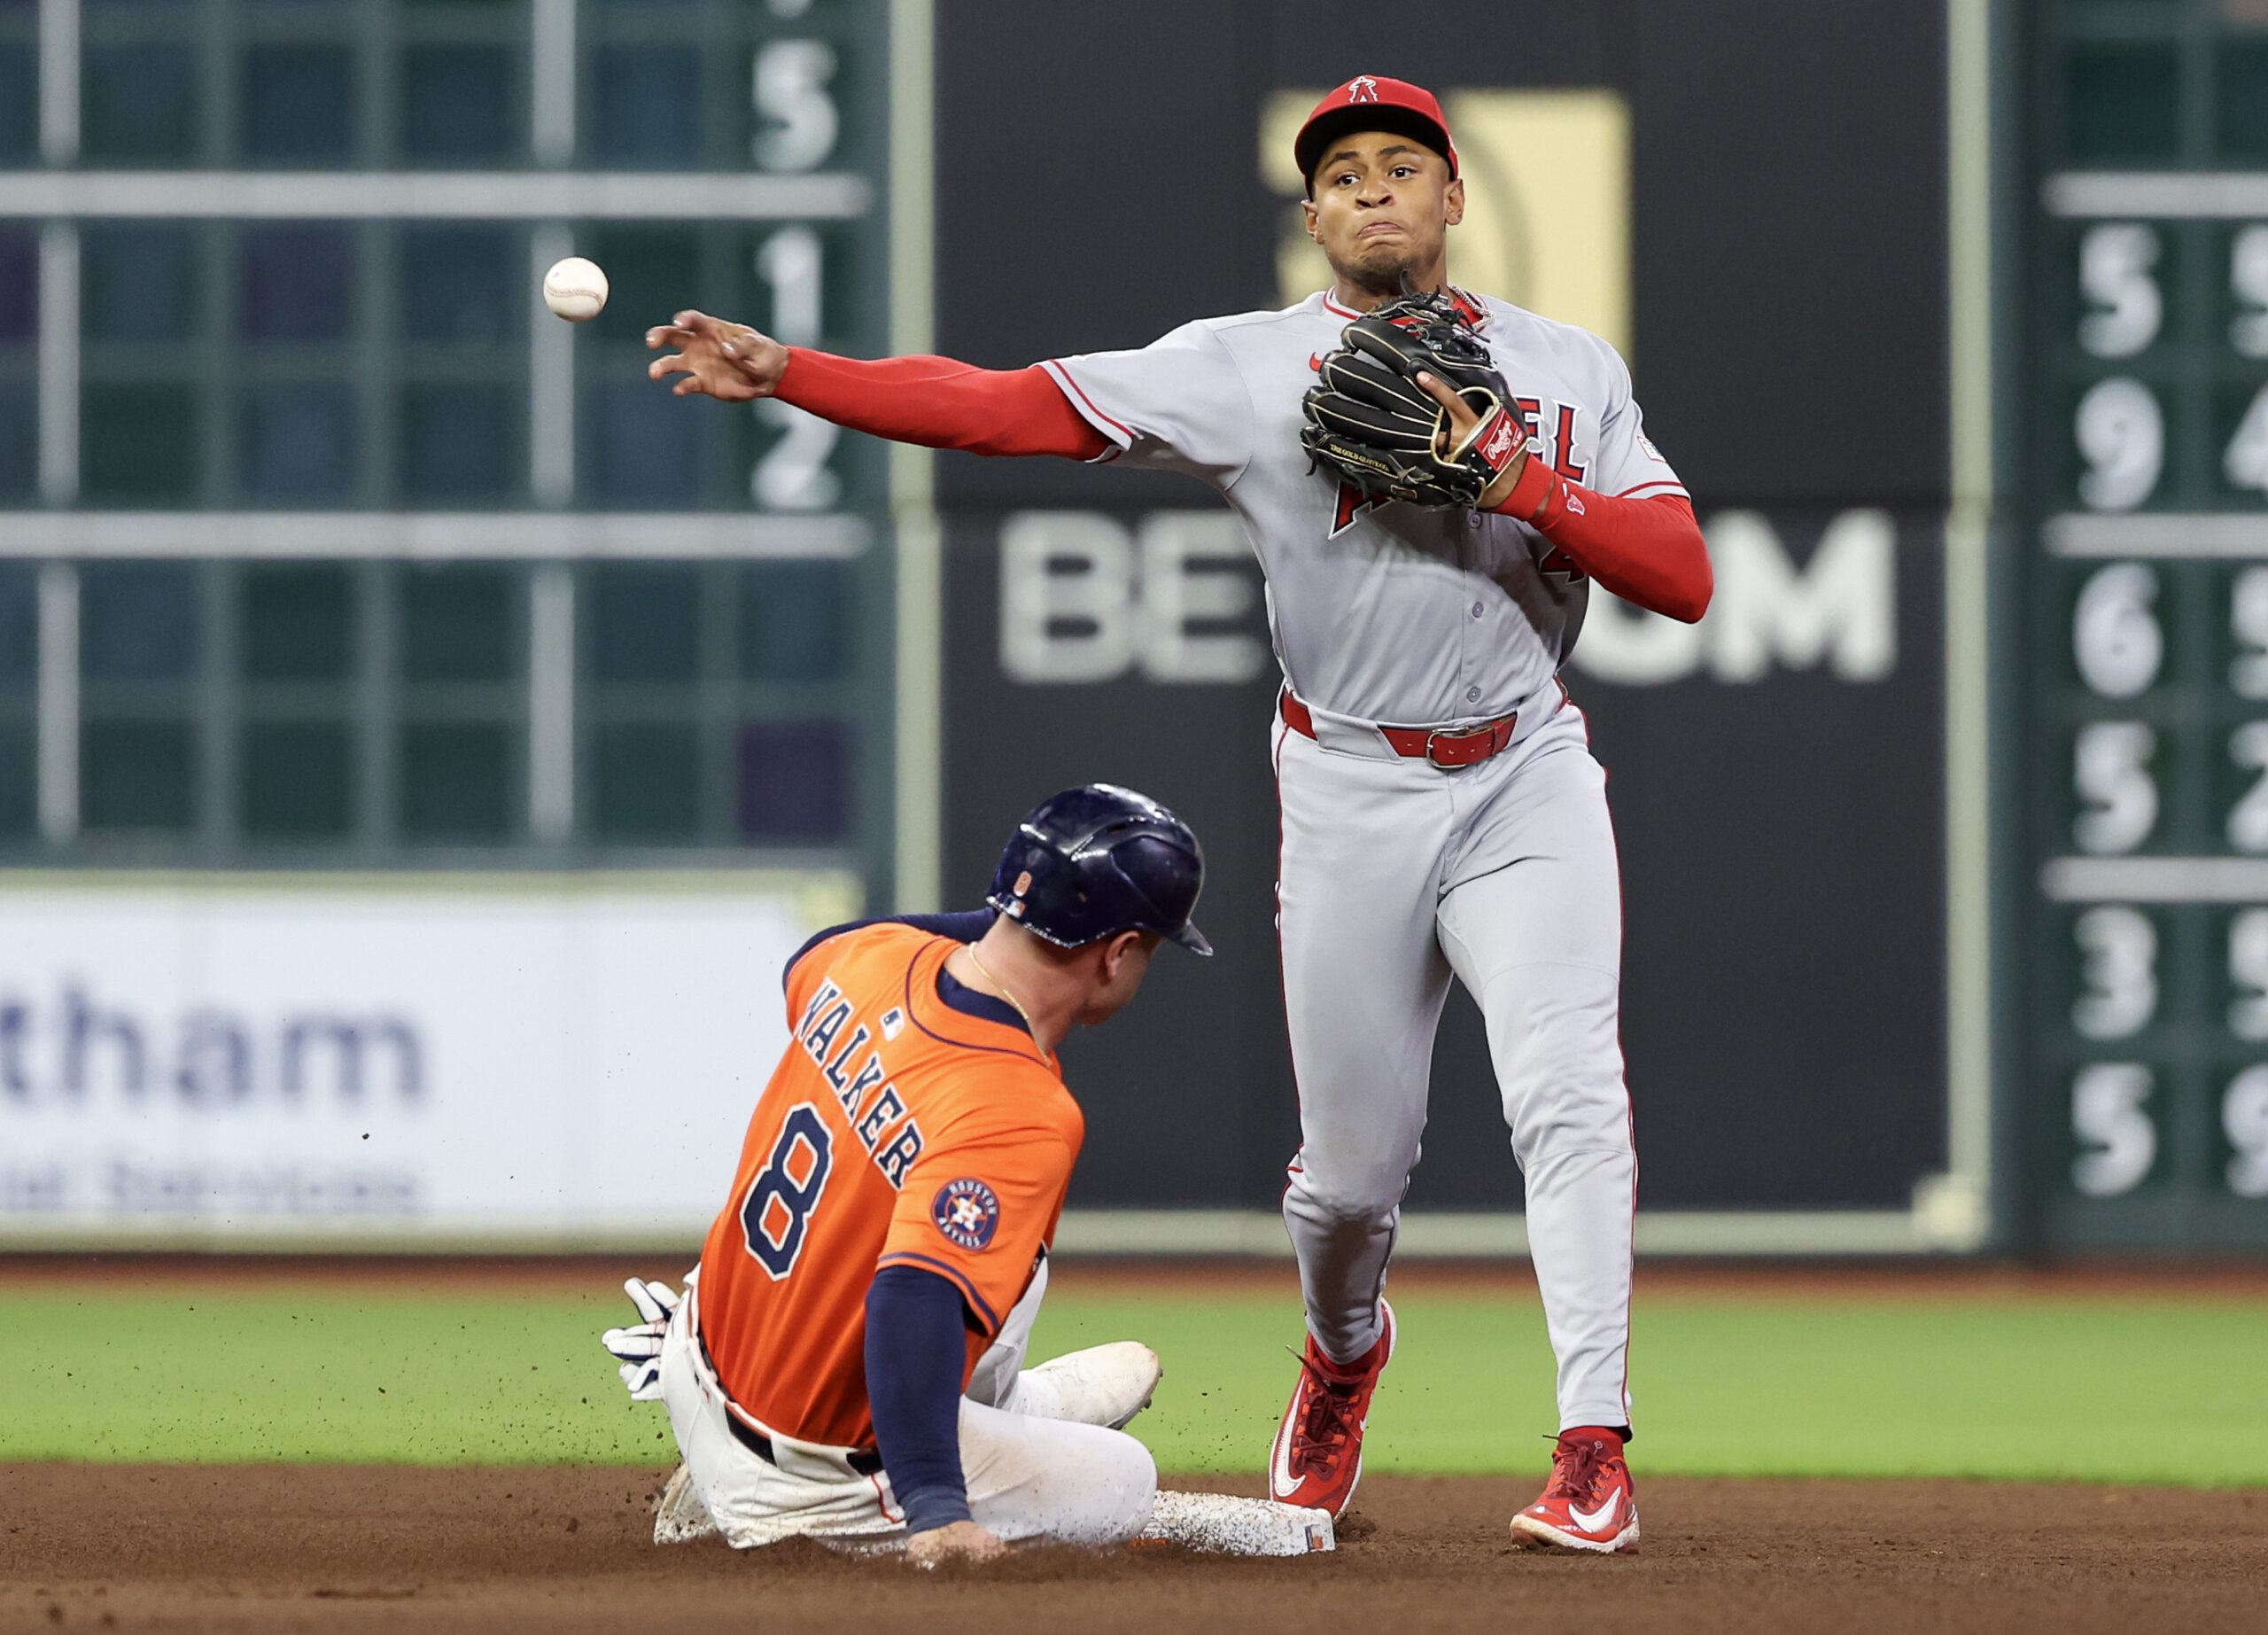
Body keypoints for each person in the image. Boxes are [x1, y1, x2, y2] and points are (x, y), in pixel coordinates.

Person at [643, 75, 1712, 1555]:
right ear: (1315, 218)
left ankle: (1593, 1445)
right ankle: (1342, 1357)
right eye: (1343, 176)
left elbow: (1681, 573)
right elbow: (1012, 408)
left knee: (1571, 1098)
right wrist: (797, 374)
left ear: (1456, 199)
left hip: (1526, 765)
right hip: (1350, 781)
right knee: (1348, 1178)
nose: (1374, 189)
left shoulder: (1568, 368)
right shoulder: (1245, 367)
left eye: (1405, 165)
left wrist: (1519, 476)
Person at [606, 785, 1212, 1563]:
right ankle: (949, 1447)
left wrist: (1009, 932)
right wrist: (934, 1506)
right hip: (807, 1480)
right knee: (1124, 1480)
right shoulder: (1023, 1106)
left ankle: (992, 1414)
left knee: (977, 1244)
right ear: (1120, 950)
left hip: (697, 1360)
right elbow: (913, 1297)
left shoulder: (868, 957)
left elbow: (809, 960)